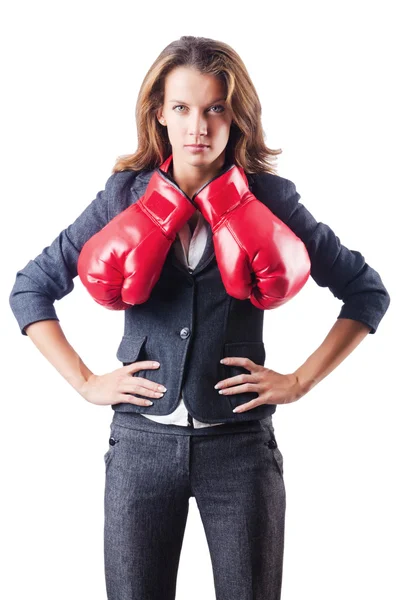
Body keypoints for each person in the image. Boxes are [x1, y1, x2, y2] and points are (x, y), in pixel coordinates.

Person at [9, 35, 390, 600]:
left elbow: (366, 291)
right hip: (139, 445)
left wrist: (300, 382)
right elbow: (30, 288)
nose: (198, 127)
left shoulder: (271, 200)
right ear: (158, 113)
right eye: (182, 108)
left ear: (236, 115)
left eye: (215, 108)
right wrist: (87, 382)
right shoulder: (123, 197)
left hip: (239, 448)